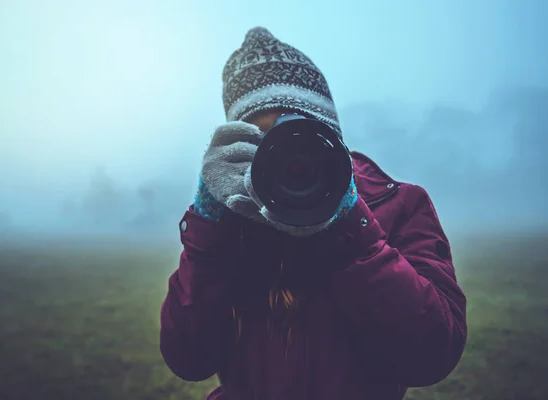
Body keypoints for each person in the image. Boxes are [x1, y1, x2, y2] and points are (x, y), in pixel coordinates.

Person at [159, 27, 467, 400]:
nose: (286, 155)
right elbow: (188, 358)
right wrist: (209, 222)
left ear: (330, 132)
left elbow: (433, 354)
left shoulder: (398, 205)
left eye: (293, 130)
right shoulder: (234, 217)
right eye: (261, 139)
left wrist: (349, 224)